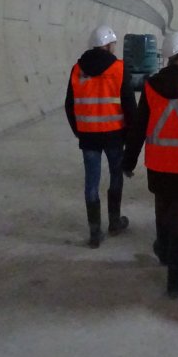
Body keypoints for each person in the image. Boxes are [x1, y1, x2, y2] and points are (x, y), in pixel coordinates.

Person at [123, 31, 178, 298]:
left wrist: (129, 160)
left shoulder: (150, 86)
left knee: (163, 208)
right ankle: (174, 280)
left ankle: (162, 250)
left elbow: (138, 127)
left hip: (158, 162)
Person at [65, 24, 137, 248]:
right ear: (107, 45)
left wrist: (80, 131)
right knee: (116, 177)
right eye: (113, 43)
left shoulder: (77, 69)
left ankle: (94, 232)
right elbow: (129, 106)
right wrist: (130, 136)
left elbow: (69, 105)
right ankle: (114, 222)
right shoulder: (119, 69)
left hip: (88, 137)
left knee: (91, 183)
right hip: (114, 136)